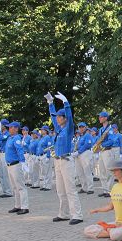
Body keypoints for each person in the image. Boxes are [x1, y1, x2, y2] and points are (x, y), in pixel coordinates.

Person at [46, 92, 84, 225]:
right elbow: (52, 116)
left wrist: (66, 103)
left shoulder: (68, 129)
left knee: (70, 189)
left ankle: (77, 215)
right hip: (58, 161)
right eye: (57, 117)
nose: (57, 119)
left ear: (64, 118)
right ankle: (64, 214)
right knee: (60, 190)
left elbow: (70, 118)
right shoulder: (59, 130)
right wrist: (50, 104)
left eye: (59, 117)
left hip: (66, 161)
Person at [4, 121, 30, 215]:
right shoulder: (9, 138)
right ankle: (17, 205)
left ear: (15, 128)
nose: (9, 129)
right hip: (10, 165)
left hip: (16, 165)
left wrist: (23, 162)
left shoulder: (16, 138)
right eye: (9, 127)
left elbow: (19, 150)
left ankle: (25, 207)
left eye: (11, 127)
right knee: (14, 187)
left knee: (20, 186)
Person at [97, 112, 119, 198]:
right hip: (101, 152)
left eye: (101, 117)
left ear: (106, 118)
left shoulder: (110, 129)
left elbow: (112, 141)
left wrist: (102, 145)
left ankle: (110, 190)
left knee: (109, 171)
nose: (99, 118)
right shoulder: (100, 129)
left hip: (107, 151)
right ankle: (105, 189)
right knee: (101, 171)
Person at [73, 122, 94, 194]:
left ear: (85, 127)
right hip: (79, 154)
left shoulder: (87, 135)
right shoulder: (80, 137)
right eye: (79, 127)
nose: (81, 128)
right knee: (80, 172)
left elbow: (87, 145)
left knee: (87, 171)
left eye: (82, 127)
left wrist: (79, 152)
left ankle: (90, 188)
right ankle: (84, 187)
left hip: (85, 153)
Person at [0, 119, 13, 198]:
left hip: (5, 154)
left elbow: (0, 138)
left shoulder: (8, 133)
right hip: (0, 153)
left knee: (5, 174)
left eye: (1, 125)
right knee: (1, 174)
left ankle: (9, 191)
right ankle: (5, 191)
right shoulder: (2, 133)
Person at [37, 125, 54, 191]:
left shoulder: (47, 137)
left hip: (45, 155)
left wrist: (48, 156)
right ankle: (44, 185)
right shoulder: (42, 138)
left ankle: (48, 186)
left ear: (46, 131)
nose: (41, 131)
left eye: (42, 130)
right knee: (43, 172)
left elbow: (50, 147)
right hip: (41, 156)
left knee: (47, 171)